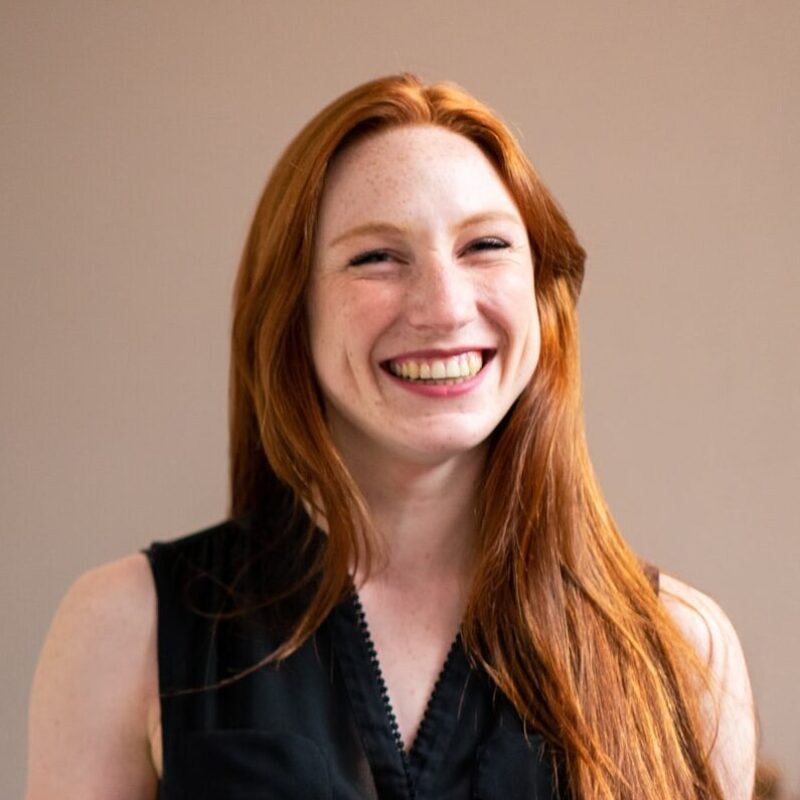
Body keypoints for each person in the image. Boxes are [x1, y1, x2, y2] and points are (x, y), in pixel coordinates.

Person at [26, 74, 756, 799]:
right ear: (291, 313)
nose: (443, 307)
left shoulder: (681, 649)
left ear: (541, 293)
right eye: (376, 257)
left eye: (487, 245)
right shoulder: (126, 630)